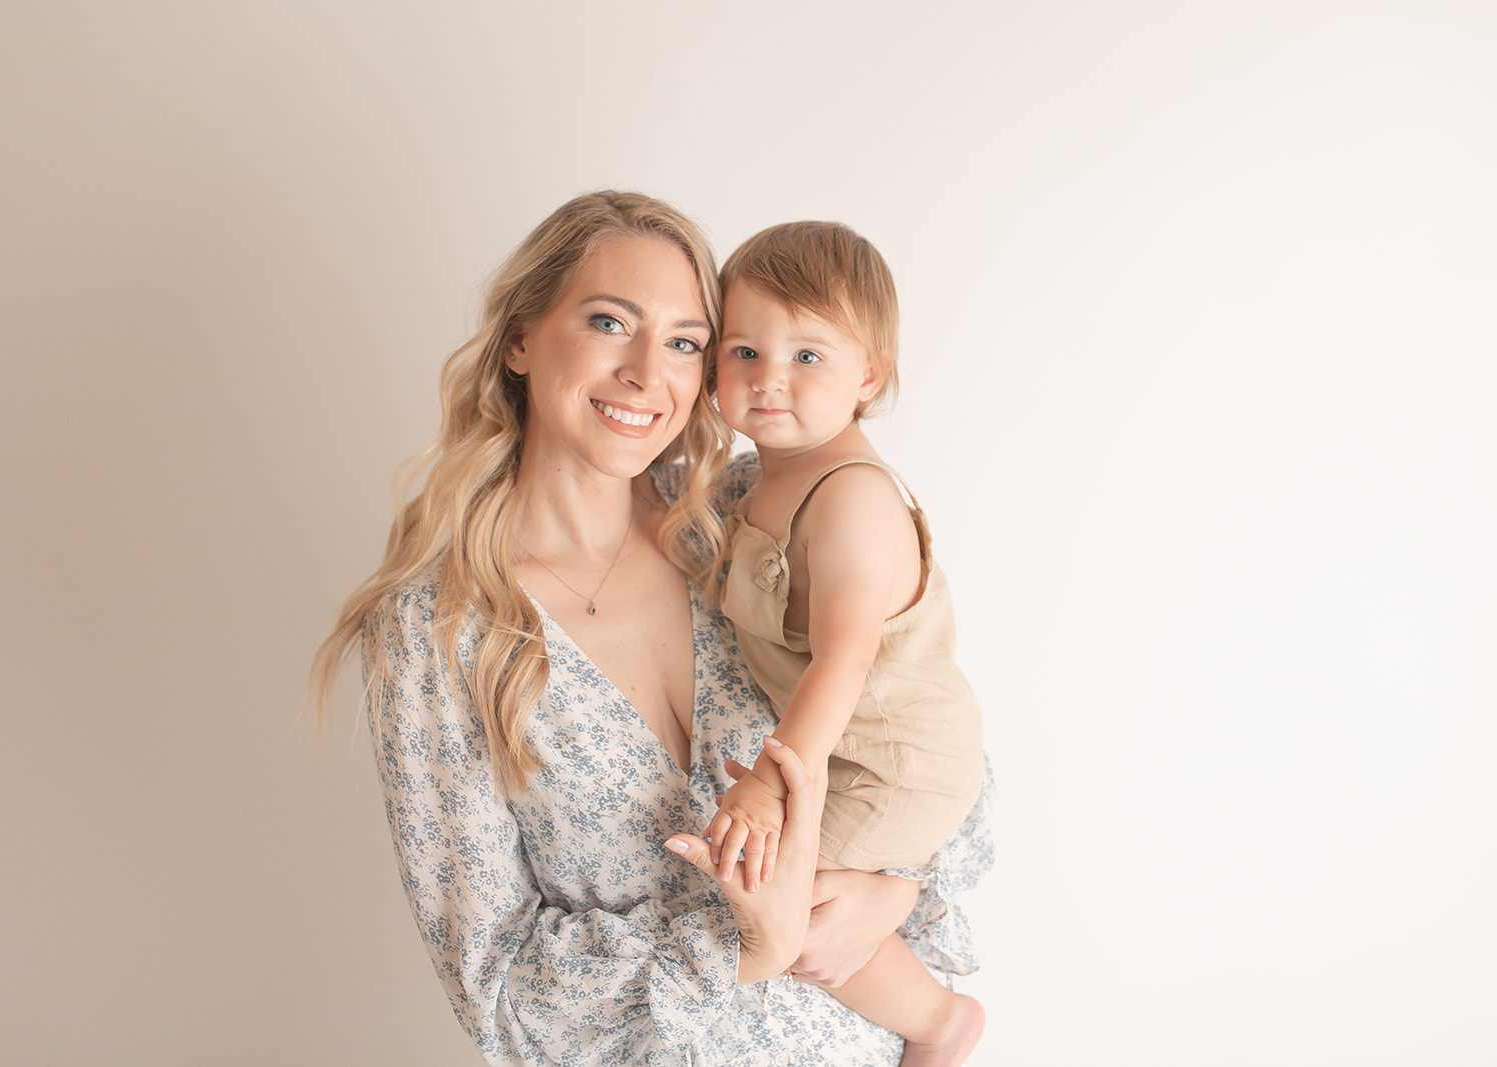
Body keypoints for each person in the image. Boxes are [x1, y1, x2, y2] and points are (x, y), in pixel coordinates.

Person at [310, 191, 993, 1066]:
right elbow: (498, 990)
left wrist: (890, 887)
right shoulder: (435, 635)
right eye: (608, 322)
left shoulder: (746, 524)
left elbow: (926, 735)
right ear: (520, 338)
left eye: (685, 343)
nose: (647, 372)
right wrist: (745, 947)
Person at [703, 221, 987, 1065]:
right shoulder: (756, 480)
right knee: (769, 891)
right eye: (743, 352)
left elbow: (844, 659)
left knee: (787, 905)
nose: (768, 380)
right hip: (846, 746)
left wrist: (765, 784)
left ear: (869, 375)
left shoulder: (851, 498)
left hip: (895, 757)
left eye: (807, 357)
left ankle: (938, 1021)